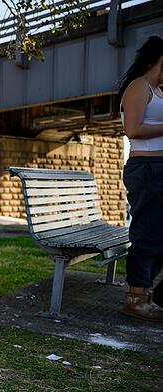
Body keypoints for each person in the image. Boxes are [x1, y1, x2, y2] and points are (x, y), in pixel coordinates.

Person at [119, 35, 163, 322]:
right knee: (146, 232)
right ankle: (136, 298)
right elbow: (132, 130)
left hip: (159, 170)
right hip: (146, 170)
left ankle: (151, 295)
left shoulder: (159, 90)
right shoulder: (139, 87)